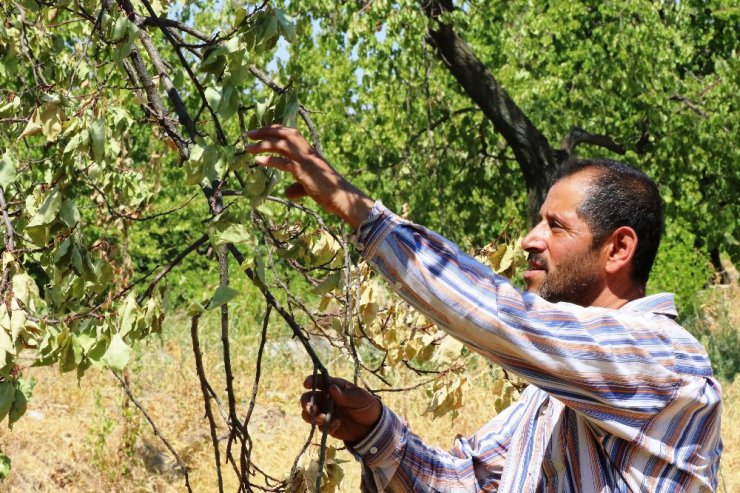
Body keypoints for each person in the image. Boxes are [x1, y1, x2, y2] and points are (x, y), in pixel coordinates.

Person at [246, 125, 722, 492]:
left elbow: (506, 320)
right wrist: (373, 428)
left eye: (555, 227)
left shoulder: (662, 361)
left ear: (618, 249)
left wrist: (362, 214)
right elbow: (465, 481)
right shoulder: (552, 393)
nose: (529, 240)